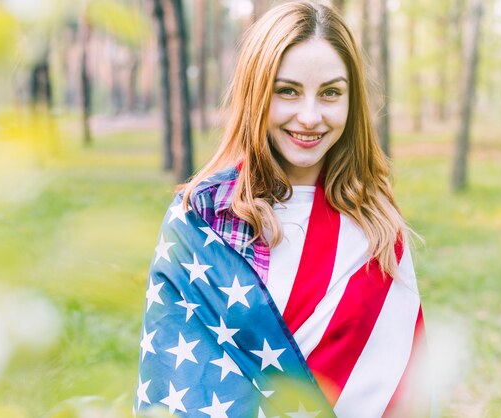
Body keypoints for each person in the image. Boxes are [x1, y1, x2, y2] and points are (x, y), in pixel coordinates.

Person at [135, 1, 428, 417]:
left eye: (330, 93)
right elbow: (179, 385)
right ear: (257, 94)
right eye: (287, 91)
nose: (309, 117)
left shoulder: (377, 224)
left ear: (352, 100)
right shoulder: (202, 221)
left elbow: (405, 384)